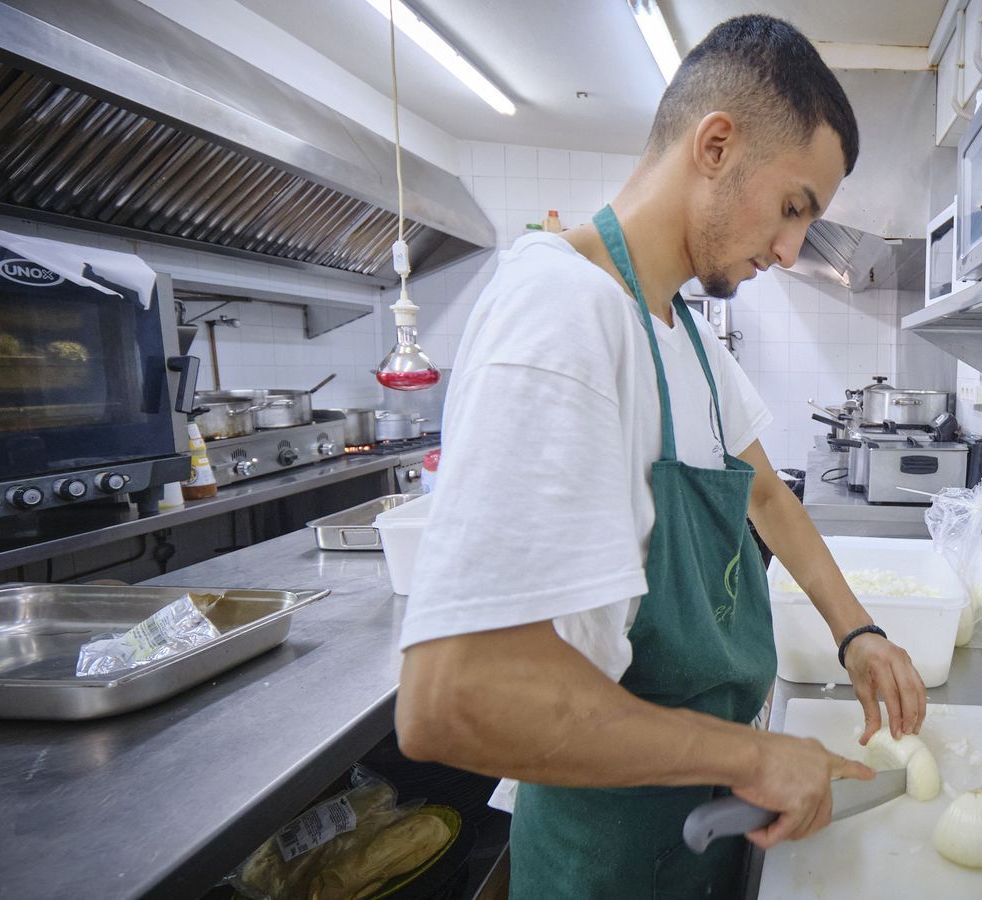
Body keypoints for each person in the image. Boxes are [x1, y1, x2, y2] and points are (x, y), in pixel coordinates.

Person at [395, 15, 929, 898]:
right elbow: (456, 694)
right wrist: (755, 753)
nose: (793, 250)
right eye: (794, 206)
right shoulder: (560, 314)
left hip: (697, 828)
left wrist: (858, 634)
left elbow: (768, 499)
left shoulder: (684, 334)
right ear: (716, 145)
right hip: (607, 852)